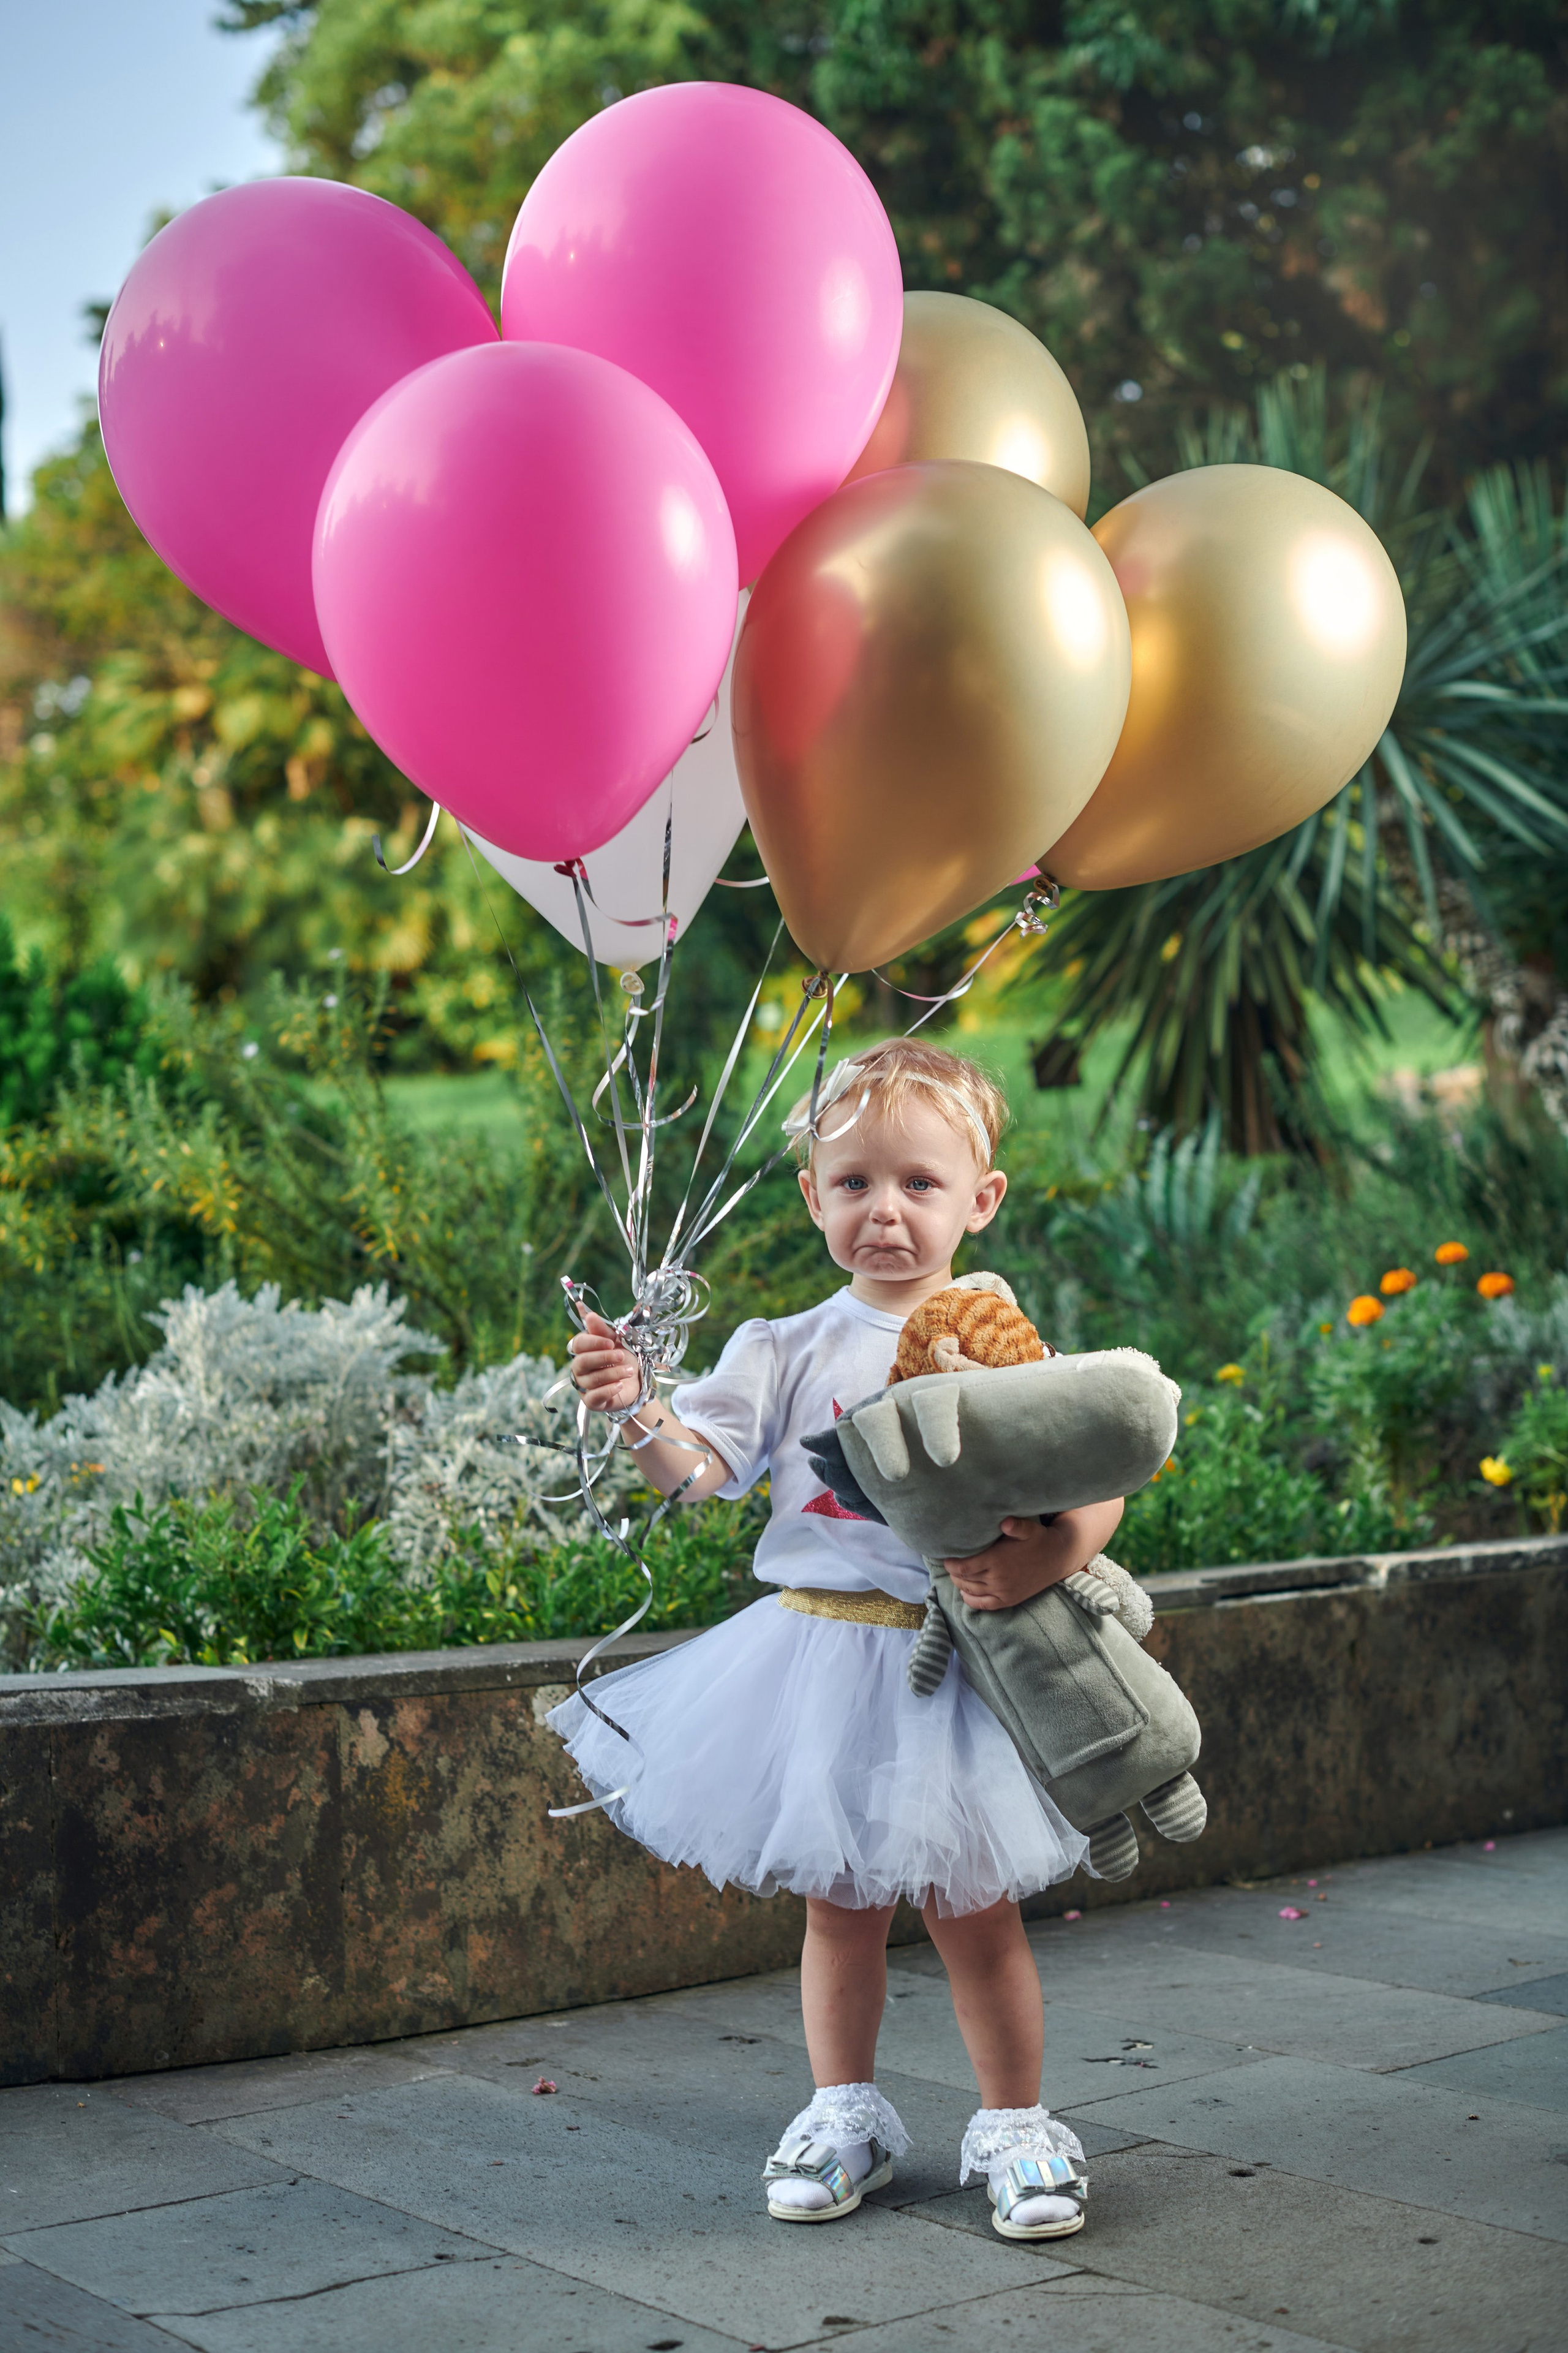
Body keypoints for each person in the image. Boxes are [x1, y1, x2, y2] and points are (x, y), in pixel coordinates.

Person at [559, 1037, 1123, 2241]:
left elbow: (1094, 1477)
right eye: (854, 1181)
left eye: (918, 1183)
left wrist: (1037, 1557)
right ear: (811, 1194)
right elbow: (700, 1470)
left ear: (979, 1199)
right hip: (818, 1658)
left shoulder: (996, 1332)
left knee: (973, 1903)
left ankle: (1015, 2123)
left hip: (956, 1660)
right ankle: (842, 2111)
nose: (885, 1211)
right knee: (837, 1904)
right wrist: (637, 1410)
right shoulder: (783, 1344)